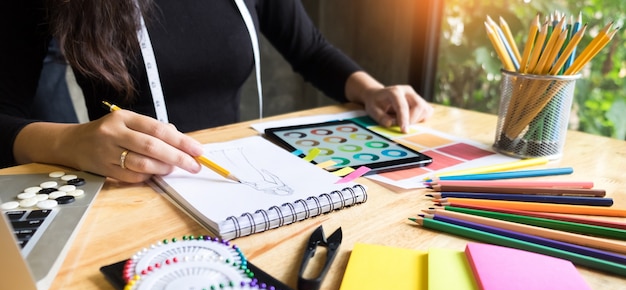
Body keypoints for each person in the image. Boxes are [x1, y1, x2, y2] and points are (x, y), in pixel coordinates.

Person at [0, 1, 434, 183]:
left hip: (244, 185)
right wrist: (72, 141)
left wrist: (371, 89)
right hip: (128, 189)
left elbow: (310, 49)